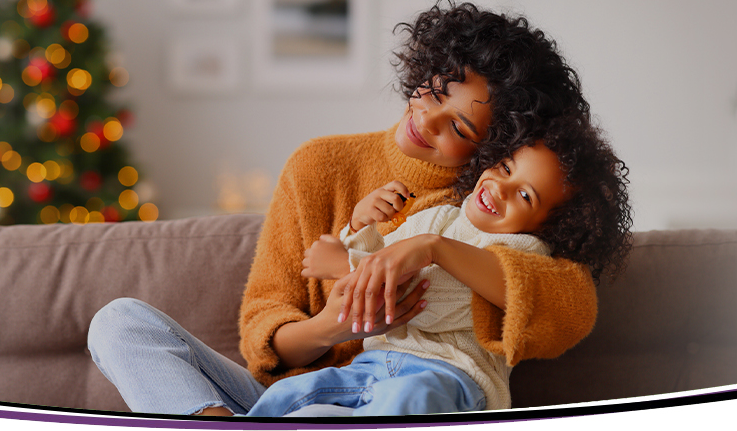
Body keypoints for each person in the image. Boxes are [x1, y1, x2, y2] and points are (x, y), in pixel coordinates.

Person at [86, 0, 610, 416]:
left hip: (411, 400)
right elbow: (262, 336)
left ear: (501, 144)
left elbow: (569, 304)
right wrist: (335, 325)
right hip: (287, 400)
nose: (425, 120)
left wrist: (432, 248)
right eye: (434, 91)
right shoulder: (319, 165)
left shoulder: (489, 210)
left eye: (459, 126)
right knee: (119, 322)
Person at [235, 137, 630, 416]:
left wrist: (347, 266)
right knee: (293, 392)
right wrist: (360, 226)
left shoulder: (523, 253)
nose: (501, 188)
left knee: (410, 399)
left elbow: (436, 303)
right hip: (372, 365)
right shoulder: (440, 216)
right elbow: (382, 258)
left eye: (526, 196)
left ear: (548, 227)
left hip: (451, 379)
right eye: (505, 167)